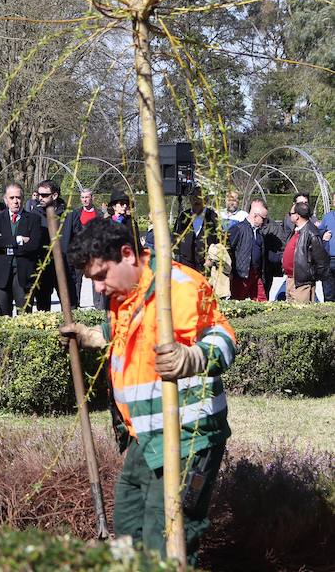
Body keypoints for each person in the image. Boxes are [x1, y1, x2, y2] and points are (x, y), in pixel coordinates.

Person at [61, 216, 234, 564]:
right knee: (128, 528)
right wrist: (97, 337)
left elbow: (224, 339)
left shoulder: (178, 286)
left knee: (166, 538)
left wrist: (193, 356)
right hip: (145, 437)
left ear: (128, 254)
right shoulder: (124, 294)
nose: (97, 287)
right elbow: (130, 334)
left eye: (100, 276)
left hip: (187, 437)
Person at [0, 183, 41, 316]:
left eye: (18, 197)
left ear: (23, 199)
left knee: (24, 315)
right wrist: (19, 240)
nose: (15, 201)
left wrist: (6, 246)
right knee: (3, 315)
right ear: (5, 200)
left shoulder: (33, 219)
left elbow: (34, 245)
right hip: (2, 274)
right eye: (11, 198)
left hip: (23, 272)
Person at [62, 188, 103, 309]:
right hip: (80, 250)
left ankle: (97, 305)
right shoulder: (75, 213)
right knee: (76, 278)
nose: (84, 200)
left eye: (87, 197)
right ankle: (76, 303)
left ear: (92, 198)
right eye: (83, 197)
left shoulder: (99, 214)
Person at [29, 180, 65, 311]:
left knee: (70, 305)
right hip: (43, 267)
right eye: (39, 194)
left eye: (44, 195)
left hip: (64, 265)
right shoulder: (34, 215)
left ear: (54, 196)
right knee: (43, 307)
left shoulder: (68, 214)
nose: (40, 198)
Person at [282, 202, 328, 302]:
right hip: (291, 279)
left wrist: (310, 277)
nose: (289, 216)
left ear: (297, 216)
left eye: (291, 214)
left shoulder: (311, 233)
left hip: (302, 283)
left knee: (299, 313)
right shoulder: (297, 230)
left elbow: (321, 261)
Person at [228, 199, 270, 301]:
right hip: (241, 275)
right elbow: (229, 250)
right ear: (255, 216)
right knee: (238, 300)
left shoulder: (260, 232)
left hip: (256, 273)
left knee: (262, 301)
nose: (265, 222)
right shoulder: (238, 229)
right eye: (263, 219)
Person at [174, 189, 221, 272]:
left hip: (205, 265)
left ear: (205, 200)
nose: (196, 200)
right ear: (190, 200)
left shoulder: (212, 216)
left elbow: (219, 241)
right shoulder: (183, 216)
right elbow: (176, 237)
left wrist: (213, 259)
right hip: (186, 265)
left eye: (199, 197)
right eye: (193, 198)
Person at [318, 193, 335, 302]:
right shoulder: (327, 217)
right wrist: (323, 234)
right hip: (329, 260)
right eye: (334, 200)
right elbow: (318, 232)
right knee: (329, 294)